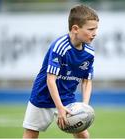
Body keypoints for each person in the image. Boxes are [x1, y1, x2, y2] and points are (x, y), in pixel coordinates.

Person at [22, 4, 99, 139]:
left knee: (83, 136)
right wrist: (59, 108)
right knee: (31, 134)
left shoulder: (89, 52)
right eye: (91, 29)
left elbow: (87, 81)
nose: (95, 33)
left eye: (96, 29)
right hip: (43, 95)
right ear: (75, 29)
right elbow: (50, 79)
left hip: (67, 97)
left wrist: (84, 107)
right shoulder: (59, 47)